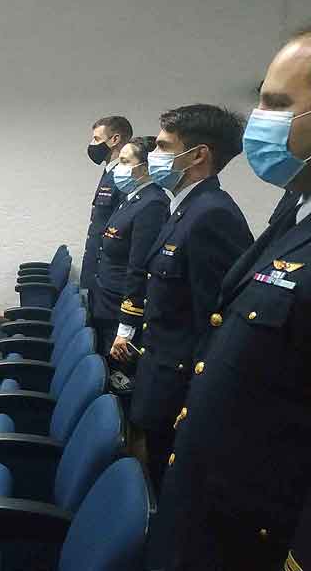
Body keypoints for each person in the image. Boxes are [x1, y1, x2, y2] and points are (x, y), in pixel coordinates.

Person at [153, 31, 311, 571]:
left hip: (257, 523)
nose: (258, 119)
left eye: (277, 105)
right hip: (212, 492)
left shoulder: (220, 213)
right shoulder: (294, 211)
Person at [110, 104, 253, 495]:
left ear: (198, 155)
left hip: (178, 384)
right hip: (158, 366)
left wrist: (195, 400)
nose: (153, 155)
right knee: (149, 472)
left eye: (161, 146)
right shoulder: (185, 208)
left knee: (165, 480)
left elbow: (216, 320)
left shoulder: (212, 215)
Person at [91, 136, 169, 359]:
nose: (119, 168)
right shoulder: (132, 198)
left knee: (116, 376)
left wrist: (127, 326)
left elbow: (139, 267)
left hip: (119, 308)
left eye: (125, 162)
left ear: (143, 168)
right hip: (105, 299)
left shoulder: (152, 203)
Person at [81, 116, 133, 293]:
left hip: (108, 274)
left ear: (115, 140)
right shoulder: (109, 172)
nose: (92, 145)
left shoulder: (123, 177)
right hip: (96, 268)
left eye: (96, 139)